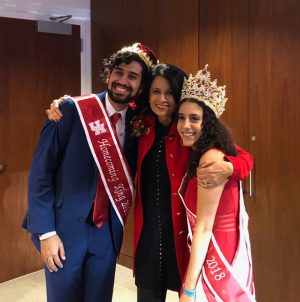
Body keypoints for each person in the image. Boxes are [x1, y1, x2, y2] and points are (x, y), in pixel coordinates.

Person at [46, 63, 254, 302]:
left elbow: (245, 158)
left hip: (181, 239)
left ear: (179, 95)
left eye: (169, 92)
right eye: (156, 91)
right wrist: (65, 103)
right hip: (148, 237)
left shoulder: (190, 131)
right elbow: (103, 110)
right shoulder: (140, 120)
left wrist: (230, 166)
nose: (162, 99)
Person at [22, 42, 158, 302]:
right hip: (63, 230)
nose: (123, 81)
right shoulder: (72, 110)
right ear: (108, 75)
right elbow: (41, 174)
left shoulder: (139, 123)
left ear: (140, 86)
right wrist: (46, 233)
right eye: (118, 72)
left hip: (105, 233)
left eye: (132, 76)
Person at [177, 65, 256, 301]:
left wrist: (188, 290)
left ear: (208, 123)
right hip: (223, 247)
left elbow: (203, 227)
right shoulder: (214, 150)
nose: (185, 125)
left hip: (216, 252)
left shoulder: (210, 158)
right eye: (181, 118)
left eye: (194, 118)